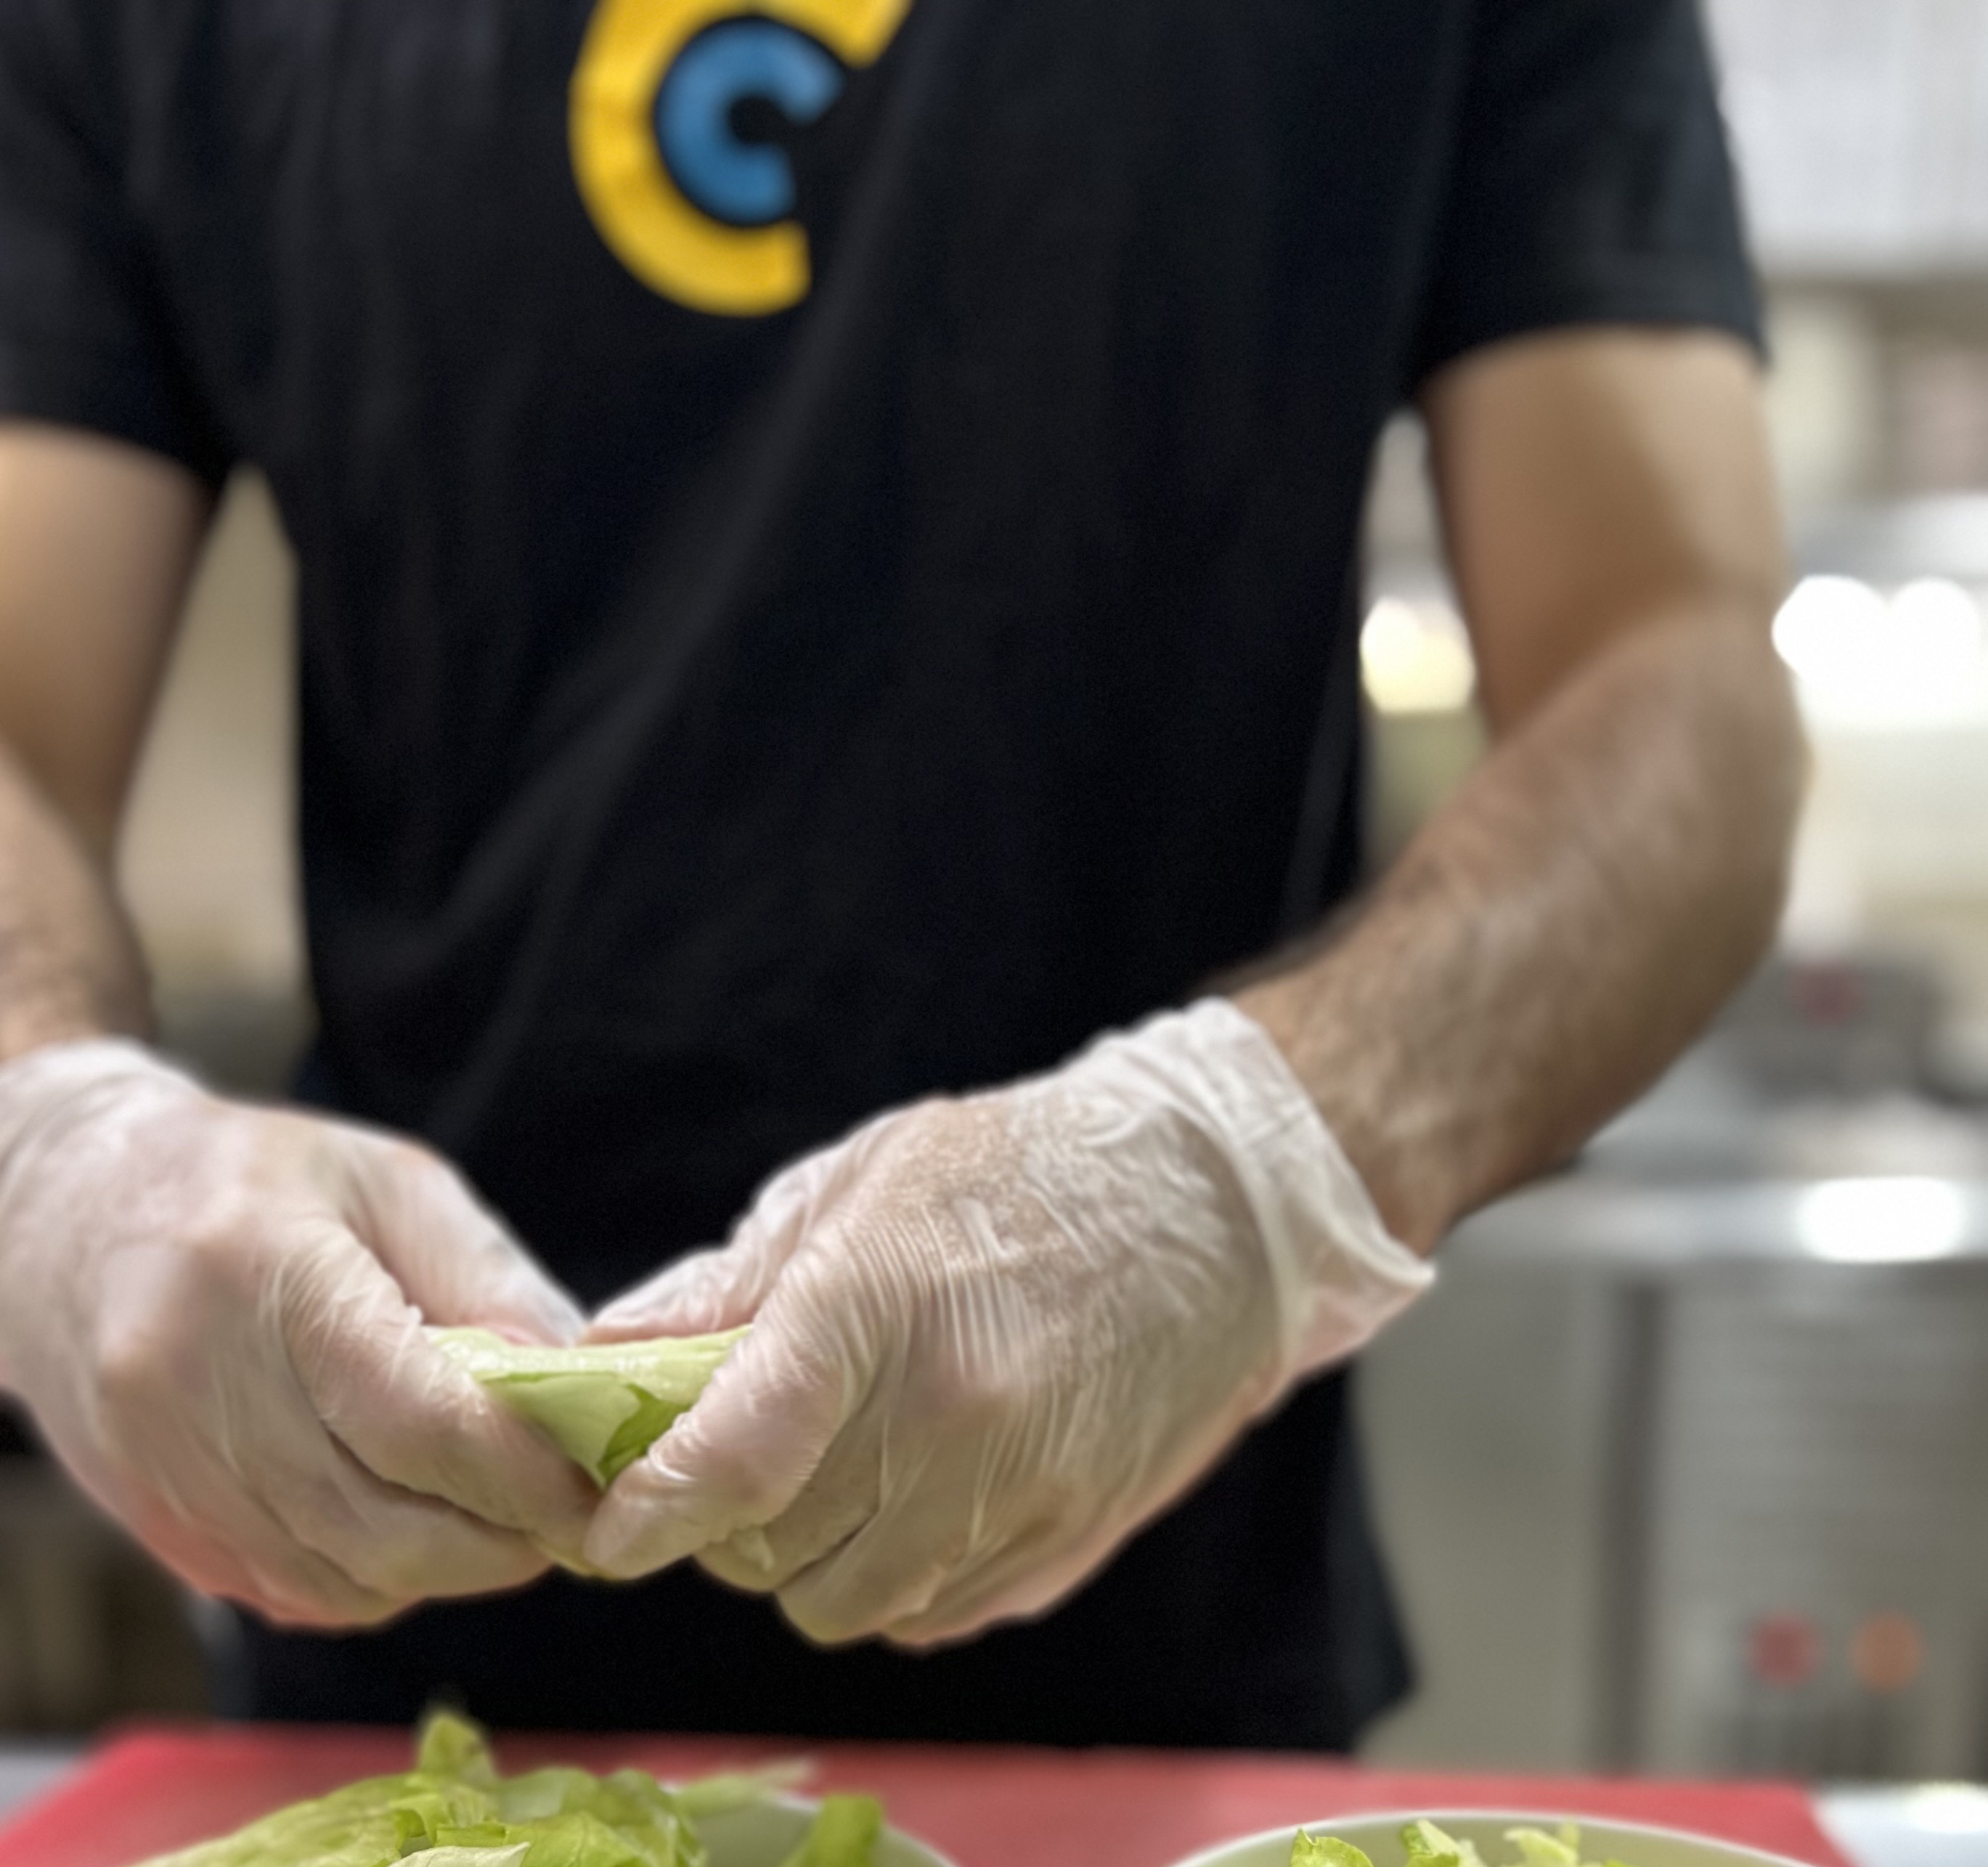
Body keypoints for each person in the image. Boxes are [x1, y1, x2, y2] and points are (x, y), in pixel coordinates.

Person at [0, 0, 1803, 1745]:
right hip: (397, 1693)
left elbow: (1680, 684)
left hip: (1157, 1684)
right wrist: (55, 1140)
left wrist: (1244, 1162)